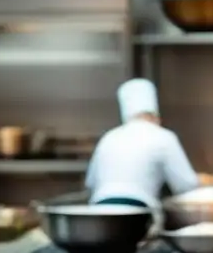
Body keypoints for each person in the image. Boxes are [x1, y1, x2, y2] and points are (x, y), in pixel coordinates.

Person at [85, 78, 199, 208]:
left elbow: (90, 183)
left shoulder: (109, 137)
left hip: (99, 211)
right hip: (138, 211)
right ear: (156, 115)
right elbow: (186, 185)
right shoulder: (163, 136)